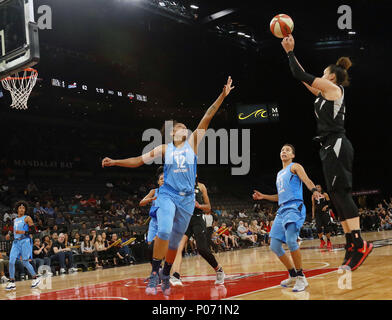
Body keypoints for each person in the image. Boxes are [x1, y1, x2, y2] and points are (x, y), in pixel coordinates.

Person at [102, 76, 234, 296]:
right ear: (174, 133)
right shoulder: (165, 149)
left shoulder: (193, 144)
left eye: (185, 127)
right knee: (163, 230)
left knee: (174, 243)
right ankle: (155, 272)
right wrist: (116, 161)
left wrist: (222, 95)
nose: (185, 128)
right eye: (180, 127)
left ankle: (165, 272)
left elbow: (208, 115)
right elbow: (138, 160)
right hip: (168, 195)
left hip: (186, 201)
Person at [281, 34, 373, 271]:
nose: (320, 77)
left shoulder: (333, 88)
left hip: (337, 144)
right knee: (335, 196)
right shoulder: (323, 93)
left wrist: (290, 51)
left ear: (331, 76)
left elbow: (300, 75)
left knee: (341, 193)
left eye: (323, 73)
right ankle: (351, 245)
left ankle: (360, 242)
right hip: (327, 146)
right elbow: (304, 80)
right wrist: (290, 55)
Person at [253, 144, 322, 292]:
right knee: (274, 246)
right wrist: (263, 196)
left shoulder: (295, 166)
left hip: (294, 207)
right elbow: (279, 196)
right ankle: (292, 274)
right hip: (282, 209)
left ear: (292, 155)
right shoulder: (279, 174)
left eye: (288, 150)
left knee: (291, 241)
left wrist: (314, 190)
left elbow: (306, 180)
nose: (284, 151)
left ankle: (301, 277)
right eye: (282, 150)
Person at [170, 178, 225, 287]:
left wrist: (199, 206)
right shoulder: (179, 186)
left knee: (202, 249)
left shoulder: (201, 186)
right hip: (184, 219)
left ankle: (219, 269)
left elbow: (208, 207)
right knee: (178, 247)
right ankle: (176, 275)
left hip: (198, 218)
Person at [5, 201, 41, 290]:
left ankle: (35, 278)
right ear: (17, 209)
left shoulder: (27, 218)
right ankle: (12, 282)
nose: (21, 209)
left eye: (23, 208)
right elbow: (14, 231)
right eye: (20, 208)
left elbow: (34, 231)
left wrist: (23, 232)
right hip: (16, 242)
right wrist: (9, 235)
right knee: (11, 261)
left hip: (25, 241)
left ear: (25, 210)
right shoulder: (15, 220)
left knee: (25, 261)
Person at [139, 168, 164, 265]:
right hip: (153, 223)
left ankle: (161, 270)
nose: (163, 181)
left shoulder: (171, 193)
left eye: (165, 179)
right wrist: (151, 199)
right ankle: (156, 271)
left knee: (155, 247)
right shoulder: (154, 191)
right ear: (158, 181)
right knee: (149, 249)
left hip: (163, 223)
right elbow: (141, 203)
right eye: (161, 179)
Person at [312, 185, 333, 249]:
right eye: (316, 187)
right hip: (318, 213)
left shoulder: (325, 194)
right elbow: (313, 206)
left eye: (318, 187)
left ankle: (328, 241)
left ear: (321, 188)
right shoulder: (313, 196)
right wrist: (313, 215)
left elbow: (330, 203)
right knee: (318, 228)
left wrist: (326, 206)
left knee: (327, 227)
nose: (317, 188)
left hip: (325, 213)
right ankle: (322, 241)